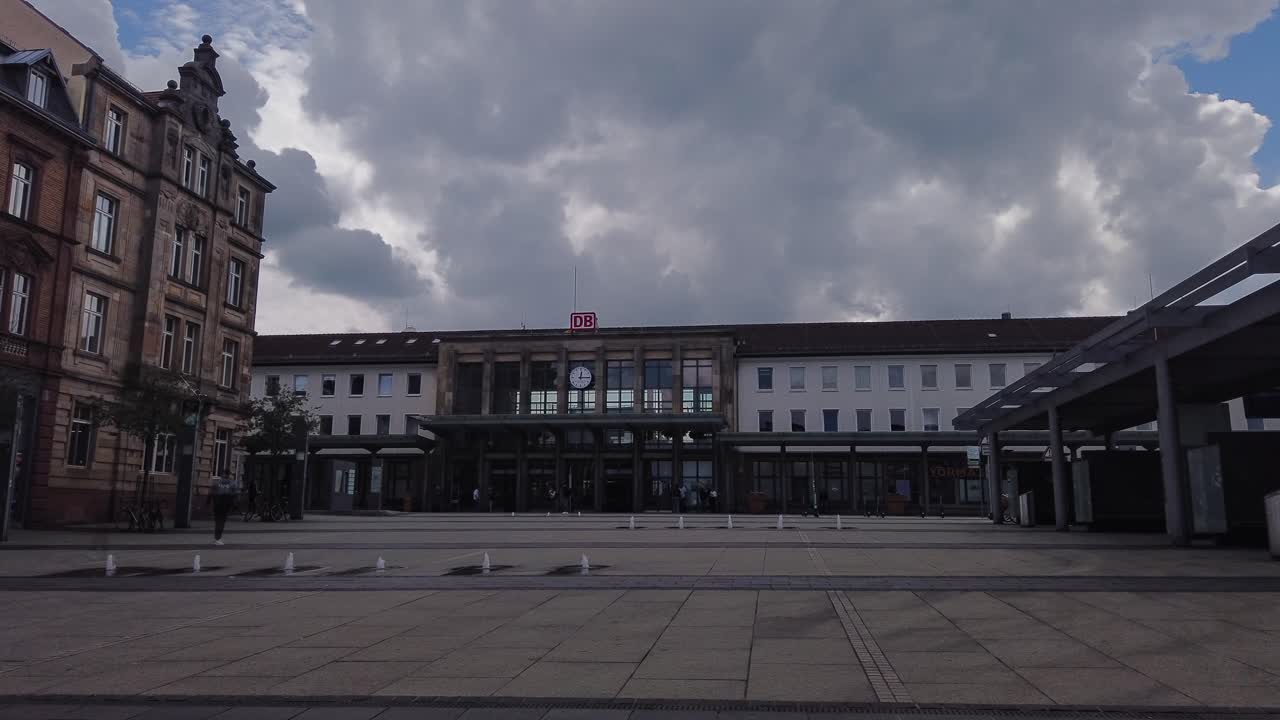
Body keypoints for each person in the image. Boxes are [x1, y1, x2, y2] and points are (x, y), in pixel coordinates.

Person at [207, 475, 238, 545]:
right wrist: (234, 506)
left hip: (217, 506)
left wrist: (208, 502)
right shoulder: (231, 484)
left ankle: (217, 538)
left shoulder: (217, 483)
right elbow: (234, 496)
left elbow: (210, 493)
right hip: (225, 507)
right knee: (221, 522)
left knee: (218, 521)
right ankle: (218, 538)